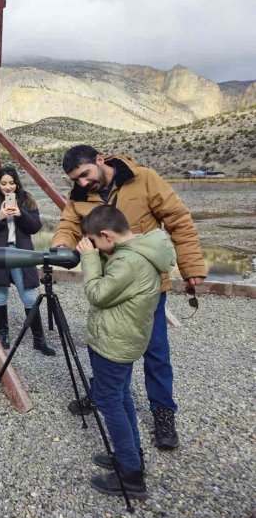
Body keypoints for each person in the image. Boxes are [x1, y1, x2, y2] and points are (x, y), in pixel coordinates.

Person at [52, 145, 206, 449]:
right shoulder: (79, 194)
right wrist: (60, 246)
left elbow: (178, 220)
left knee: (155, 352)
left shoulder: (145, 179)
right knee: (104, 344)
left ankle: (163, 413)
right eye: (75, 179)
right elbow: (68, 225)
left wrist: (191, 266)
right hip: (109, 285)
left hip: (147, 287)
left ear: (100, 160)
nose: (82, 183)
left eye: (84, 175)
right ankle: (103, 393)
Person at [76, 205, 176, 498]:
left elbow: (97, 293)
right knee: (121, 396)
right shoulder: (142, 249)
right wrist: (100, 253)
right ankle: (130, 456)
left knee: (109, 402)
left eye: (94, 241)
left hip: (113, 344)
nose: (93, 247)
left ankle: (131, 477)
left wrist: (90, 259)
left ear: (106, 235)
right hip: (126, 338)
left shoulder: (127, 262)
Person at [0, 166, 55, 355]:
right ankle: (3, 334)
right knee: (0, 296)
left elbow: (35, 227)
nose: (8, 187)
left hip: (22, 252)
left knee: (28, 295)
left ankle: (39, 339)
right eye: (3, 183)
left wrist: (21, 214)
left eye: (11, 183)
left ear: (17, 183)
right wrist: (0, 216)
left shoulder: (27, 199)